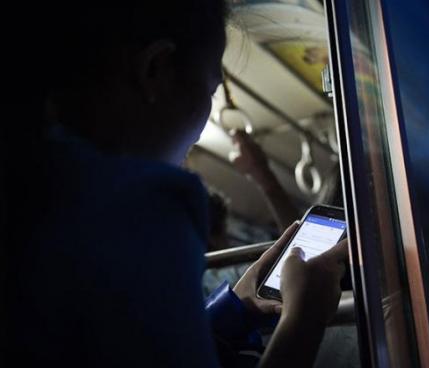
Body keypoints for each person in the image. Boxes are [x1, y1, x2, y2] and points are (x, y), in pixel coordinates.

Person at [4, 1, 348, 367]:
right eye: (210, 90)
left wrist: (236, 305)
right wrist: (304, 319)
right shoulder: (140, 205)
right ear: (156, 68)